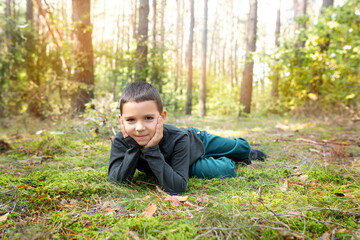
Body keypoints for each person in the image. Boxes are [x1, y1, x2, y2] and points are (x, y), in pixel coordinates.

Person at [108, 82, 266, 194]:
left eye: (148, 118)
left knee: (242, 149)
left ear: (162, 117)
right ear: (121, 120)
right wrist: (136, 147)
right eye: (130, 120)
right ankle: (227, 158)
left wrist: (150, 149)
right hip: (181, 164)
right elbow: (117, 180)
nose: (140, 127)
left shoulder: (179, 137)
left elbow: (180, 144)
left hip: (196, 141)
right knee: (226, 169)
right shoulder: (122, 141)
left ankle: (246, 153)